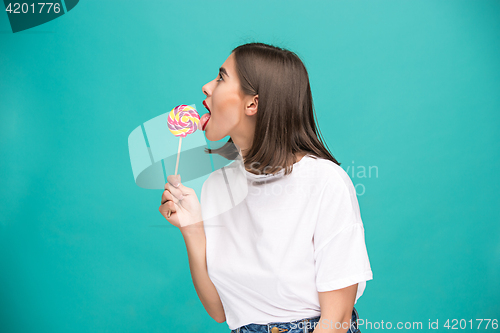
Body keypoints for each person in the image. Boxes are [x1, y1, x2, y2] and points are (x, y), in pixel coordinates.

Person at [159, 42, 373, 333]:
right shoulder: (215, 187)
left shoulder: (325, 181)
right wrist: (192, 228)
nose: (206, 87)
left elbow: (336, 320)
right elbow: (221, 311)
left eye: (221, 78)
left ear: (252, 104)